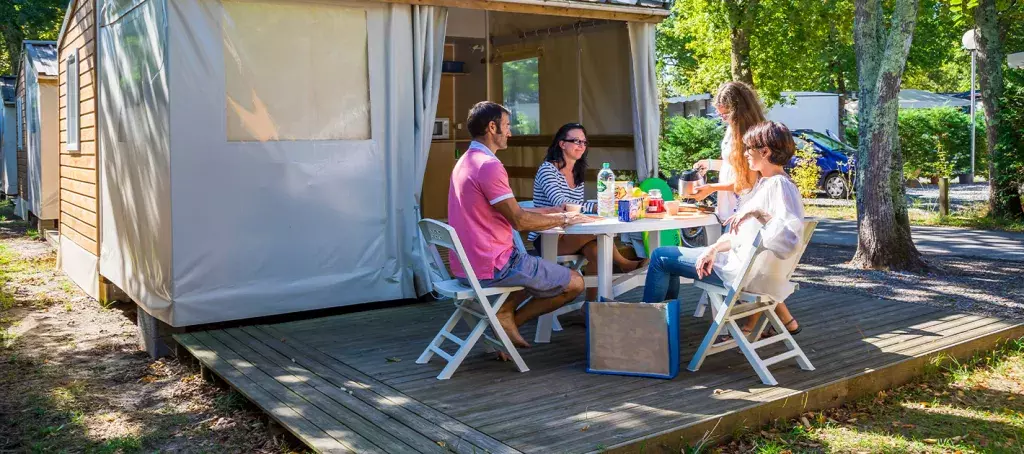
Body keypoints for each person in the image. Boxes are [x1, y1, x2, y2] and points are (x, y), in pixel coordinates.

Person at [447, 101, 596, 351]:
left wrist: (546, 211)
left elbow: (505, 211)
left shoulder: (466, 161)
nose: (510, 132)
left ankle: (505, 320)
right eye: (506, 126)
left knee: (534, 271)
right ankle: (509, 322)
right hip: (495, 265)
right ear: (492, 127)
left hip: (466, 266)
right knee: (576, 282)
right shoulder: (489, 165)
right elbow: (519, 221)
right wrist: (563, 219)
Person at [643, 121, 805, 338]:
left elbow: (789, 239)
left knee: (660, 257)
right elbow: (745, 237)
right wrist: (714, 249)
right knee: (668, 257)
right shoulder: (770, 183)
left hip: (738, 275)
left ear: (765, 151)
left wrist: (758, 213)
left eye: (749, 148)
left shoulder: (778, 185)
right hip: (740, 268)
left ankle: (646, 328)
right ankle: (663, 324)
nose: (745, 153)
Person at [528, 123, 647, 300]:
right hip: (549, 236)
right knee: (598, 232)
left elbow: (577, 206)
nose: (581, 146)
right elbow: (562, 205)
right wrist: (596, 207)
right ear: (562, 144)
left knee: (598, 251)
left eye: (584, 142)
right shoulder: (548, 170)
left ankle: (589, 309)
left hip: (573, 232)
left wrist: (600, 205)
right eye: (576, 141)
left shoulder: (577, 172)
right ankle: (625, 264)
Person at [690, 81, 767, 226]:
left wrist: (712, 188)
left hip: (744, 213)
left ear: (740, 111)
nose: (723, 119)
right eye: (720, 115)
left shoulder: (751, 135)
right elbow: (733, 164)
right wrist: (709, 164)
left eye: (726, 114)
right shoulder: (732, 128)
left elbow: (747, 183)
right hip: (728, 211)